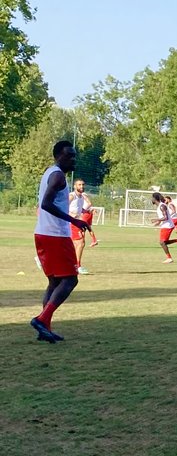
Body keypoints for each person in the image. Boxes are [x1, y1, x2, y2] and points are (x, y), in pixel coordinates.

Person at [31, 141, 91, 343]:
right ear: (58, 156)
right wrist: (74, 220)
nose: (73, 159)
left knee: (55, 282)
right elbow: (46, 203)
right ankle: (42, 319)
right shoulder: (57, 176)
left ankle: (44, 328)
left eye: (74, 155)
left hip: (43, 233)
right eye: (69, 155)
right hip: (55, 235)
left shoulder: (51, 173)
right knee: (70, 279)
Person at [153, 192, 177, 263]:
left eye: (152, 198)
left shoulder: (162, 206)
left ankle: (169, 258)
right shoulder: (160, 206)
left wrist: (157, 219)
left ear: (155, 198)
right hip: (165, 225)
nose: (151, 199)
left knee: (162, 242)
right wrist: (158, 223)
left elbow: (166, 217)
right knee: (164, 242)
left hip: (167, 226)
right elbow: (163, 217)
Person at [68, 179, 91, 275]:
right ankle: (77, 266)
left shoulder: (81, 197)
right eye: (79, 185)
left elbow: (79, 209)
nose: (81, 186)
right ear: (74, 186)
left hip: (76, 222)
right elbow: (62, 207)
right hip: (71, 222)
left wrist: (87, 208)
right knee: (80, 243)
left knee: (72, 245)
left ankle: (74, 265)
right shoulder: (72, 196)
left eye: (82, 184)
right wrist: (70, 213)